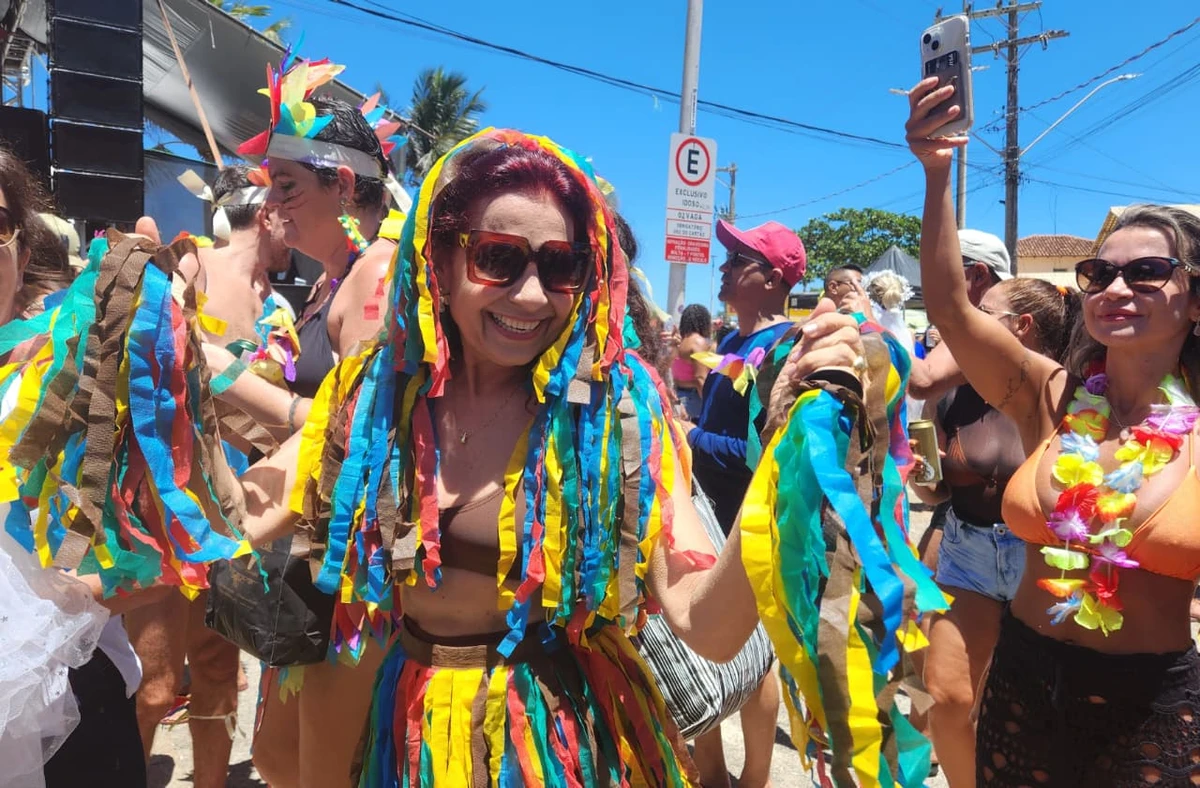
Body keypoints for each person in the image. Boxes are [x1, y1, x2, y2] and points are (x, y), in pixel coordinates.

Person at [226, 127, 875, 786]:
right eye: (498, 258)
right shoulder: (375, 396)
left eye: (561, 264)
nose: (532, 295)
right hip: (411, 731)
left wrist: (795, 451)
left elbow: (704, 624)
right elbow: (234, 518)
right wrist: (168, 367)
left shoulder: (613, 414)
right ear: (442, 263)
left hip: (566, 738)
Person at [908, 75, 1200, 785]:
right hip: (1024, 684)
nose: (1115, 288)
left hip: (1151, 707)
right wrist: (938, 170)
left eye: (1148, 271)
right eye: (1099, 273)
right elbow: (950, 306)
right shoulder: (1049, 394)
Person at [216, 64, 403, 787]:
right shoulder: (336, 279)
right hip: (312, 557)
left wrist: (220, 373)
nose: (270, 204)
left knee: (319, 773)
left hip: (355, 575)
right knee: (275, 760)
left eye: (287, 185)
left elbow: (354, 433)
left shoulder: (380, 274)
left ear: (346, 187)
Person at [120, 164, 294, 788]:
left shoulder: (276, 304)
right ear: (265, 212)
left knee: (219, 669)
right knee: (155, 683)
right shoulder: (190, 266)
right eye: (285, 206)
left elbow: (271, 418)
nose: (293, 226)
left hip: (240, 509)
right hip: (170, 507)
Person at [912, 278, 1079, 787]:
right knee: (947, 700)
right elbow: (934, 495)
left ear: (1020, 327)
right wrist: (925, 477)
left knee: (1037, 711)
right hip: (968, 551)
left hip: (1043, 559)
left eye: (981, 312)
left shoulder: (1068, 394)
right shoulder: (951, 396)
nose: (965, 325)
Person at [686, 219, 805, 788]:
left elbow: (771, 454)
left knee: (757, 656)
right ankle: (712, 775)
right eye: (728, 257)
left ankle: (754, 778)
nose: (725, 267)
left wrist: (689, 436)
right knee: (698, 640)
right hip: (704, 516)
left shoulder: (786, 348)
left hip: (748, 523)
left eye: (740, 260)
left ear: (774, 278)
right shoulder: (732, 343)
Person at [673, 303, 712, 420]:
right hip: (694, 400)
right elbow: (701, 379)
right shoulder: (698, 342)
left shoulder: (680, 343)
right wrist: (710, 406)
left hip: (680, 397)